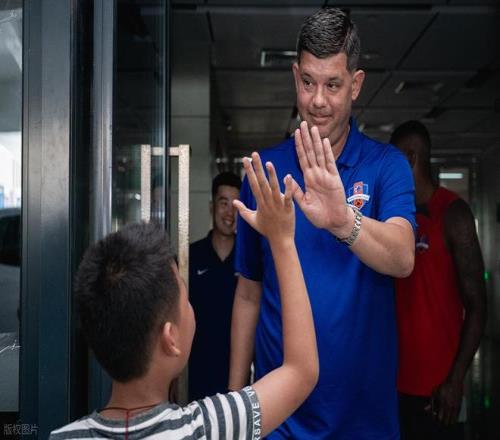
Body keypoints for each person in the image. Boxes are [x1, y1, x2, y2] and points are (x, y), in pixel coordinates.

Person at [229, 8, 416, 439]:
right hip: (278, 419)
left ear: (356, 84)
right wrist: (234, 404)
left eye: (333, 85)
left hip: (363, 420)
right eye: (308, 82)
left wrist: (343, 221)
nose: (318, 100)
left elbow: (403, 257)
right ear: (296, 77)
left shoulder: (386, 165)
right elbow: (248, 294)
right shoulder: (264, 172)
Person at [49, 153, 319, 439]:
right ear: (171, 338)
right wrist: (282, 240)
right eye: (184, 299)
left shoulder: (62, 437)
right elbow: (301, 371)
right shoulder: (210, 428)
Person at [390, 120, 487, 440]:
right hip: (394, 383)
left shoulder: (453, 213)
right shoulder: (396, 216)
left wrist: (456, 381)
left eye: (393, 160)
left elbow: (478, 306)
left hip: (437, 391)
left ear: (410, 159)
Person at [189, 172, 241, 401]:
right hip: (194, 377)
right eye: (223, 203)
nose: (230, 212)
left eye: (235, 205)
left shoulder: (250, 261)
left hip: (236, 380)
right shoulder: (189, 257)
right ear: (212, 207)